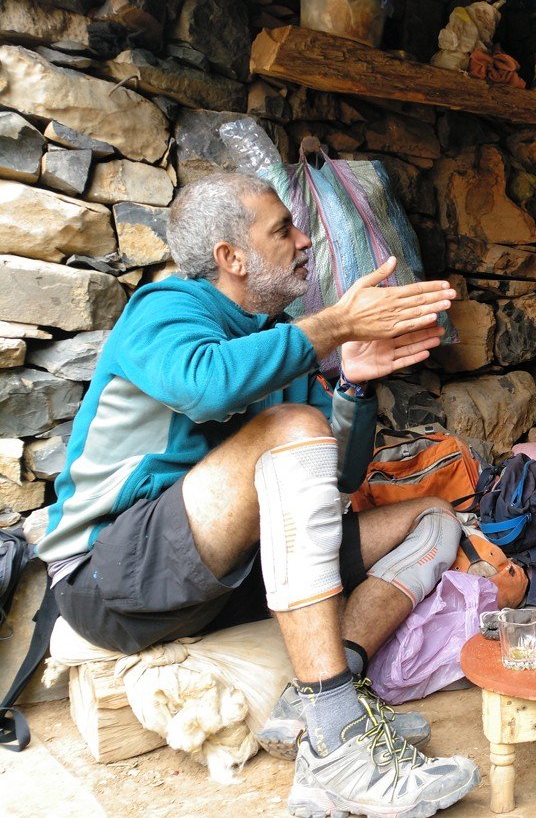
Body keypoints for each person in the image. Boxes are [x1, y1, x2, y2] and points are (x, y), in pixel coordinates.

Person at [38, 173, 481, 817]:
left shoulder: (281, 340)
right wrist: (330, 329)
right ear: (231, 257)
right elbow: (208, 385)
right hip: (108, 577)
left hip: (227, 577)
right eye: (283, 230)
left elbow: (336, 482)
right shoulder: (166, 309)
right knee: (292, 429)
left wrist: (351, 386)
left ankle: (322, 705)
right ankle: (340, 750)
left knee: (433, 519)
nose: (304, 241)